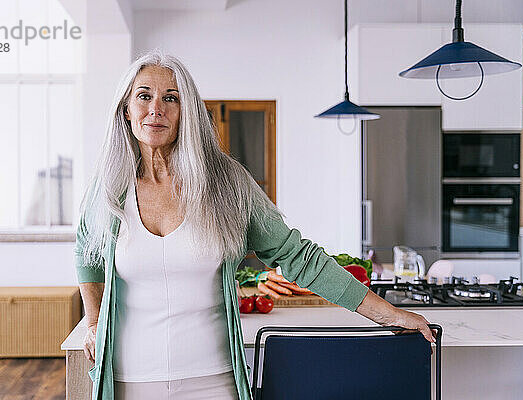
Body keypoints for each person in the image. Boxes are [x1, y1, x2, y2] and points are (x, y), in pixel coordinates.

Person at [75, 50, 436, 400]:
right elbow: (86, 252)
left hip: (213, 378)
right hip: (127, 378)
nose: (156, 109)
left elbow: (297, 256)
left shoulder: (226, 183)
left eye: (171, 97)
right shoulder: (108, 187)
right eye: (144, 96)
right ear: (126, 110)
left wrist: (387, 313)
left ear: (187, 112)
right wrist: (93, 322)